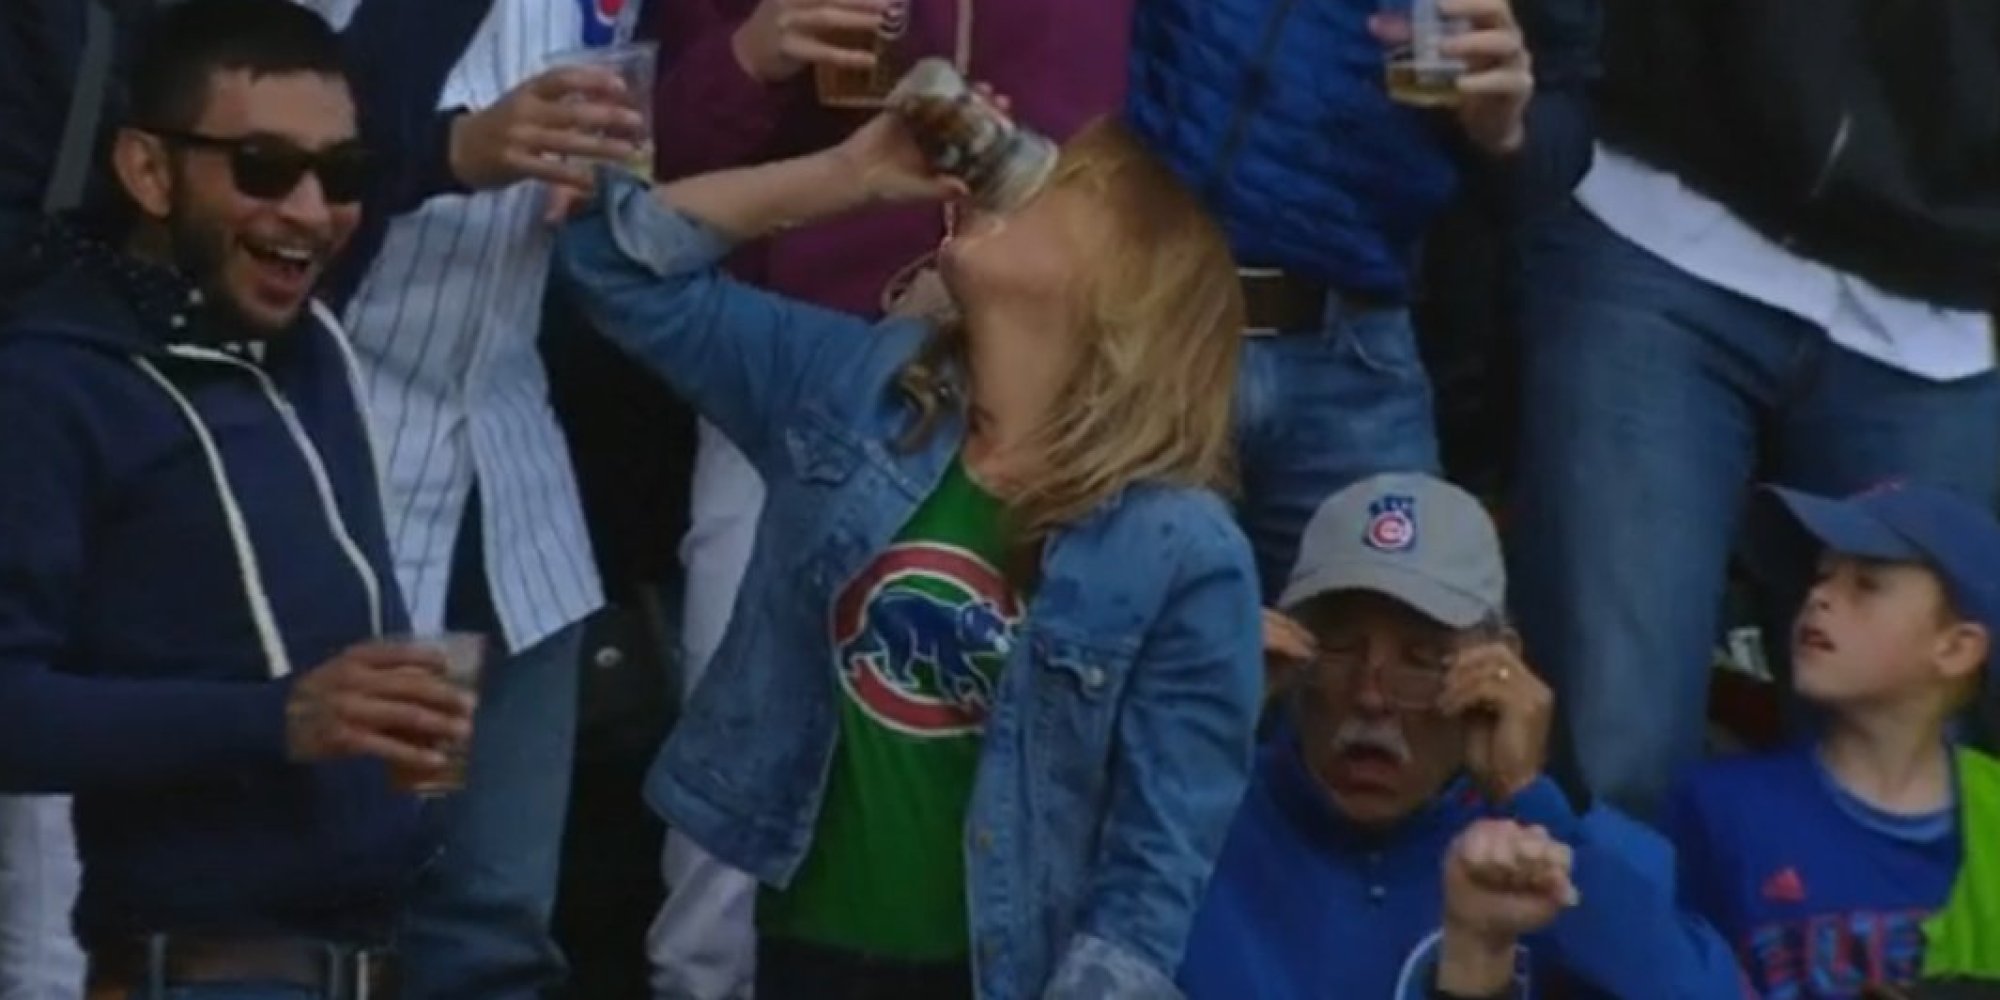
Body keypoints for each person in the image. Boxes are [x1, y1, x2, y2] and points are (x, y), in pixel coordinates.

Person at [555, 111, 1264, 998]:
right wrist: (845, 172)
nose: (1012, 179)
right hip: (800, 959)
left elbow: (1155, 870)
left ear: (1124, 290)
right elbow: (608, 263)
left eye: (1062, 186)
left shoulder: (1185, 551)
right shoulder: (856, 385)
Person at [634, 0, 1134, 995]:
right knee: (736, 747)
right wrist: (750, 54)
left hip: (1049, 386)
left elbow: (1156, 153)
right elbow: (662, 160)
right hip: (809, 370)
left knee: (1020, 760)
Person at [0, 2, 478, 997]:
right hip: (192, 969)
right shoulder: (53, 387)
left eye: (341, 174)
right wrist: (280, 719)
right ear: (147, 170)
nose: (310, 208)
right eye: (262, 166)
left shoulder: (308, 346)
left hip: (381, 955)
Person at [1509, 0, 2000, 819]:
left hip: (1935, 307)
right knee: (1613, 750)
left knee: (1906, 786)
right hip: (1658, 215)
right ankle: (1598, 951)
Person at [300, 0, 650, 993]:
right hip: (346, 487)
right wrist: (456, 147)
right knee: (334, 916)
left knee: (486, 930)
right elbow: (251, 164)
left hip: (510, 510)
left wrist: (603, 186)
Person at [1179, 473, 1742, 999]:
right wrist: (1195, 744)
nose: (1372, 697)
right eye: (1341, 646)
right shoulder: (1199, 815)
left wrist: (1530, 798)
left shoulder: (1535, 848)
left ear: (1501, 670)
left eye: (1422, 660)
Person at [1123, 0, 1599, 597]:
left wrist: (1507, 129)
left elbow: (1557, 149)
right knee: (1117, 644)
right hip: (1144, 319)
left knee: (1403, 666)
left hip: (1353, 356)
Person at [1666, 483, 2000, 998]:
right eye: (1821, 576)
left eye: (1867, 584)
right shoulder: (1719, 805)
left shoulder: (1992, 809)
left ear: (1956, 648)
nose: (1818, 596)